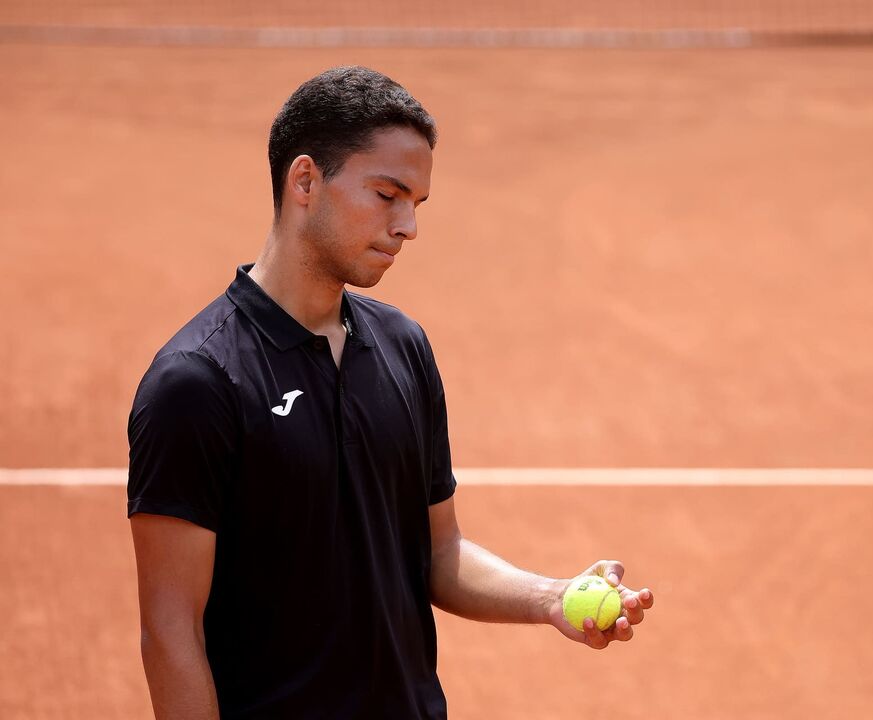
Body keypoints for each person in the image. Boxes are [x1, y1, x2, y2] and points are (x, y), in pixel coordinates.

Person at [127, 65, 654, 719]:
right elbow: (170, 628)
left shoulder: (403, 346)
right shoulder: (196, 383)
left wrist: (549, 597)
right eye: (387, 194)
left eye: (417, 203)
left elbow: (437, 551)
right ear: (305, 181)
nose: (408, 226)